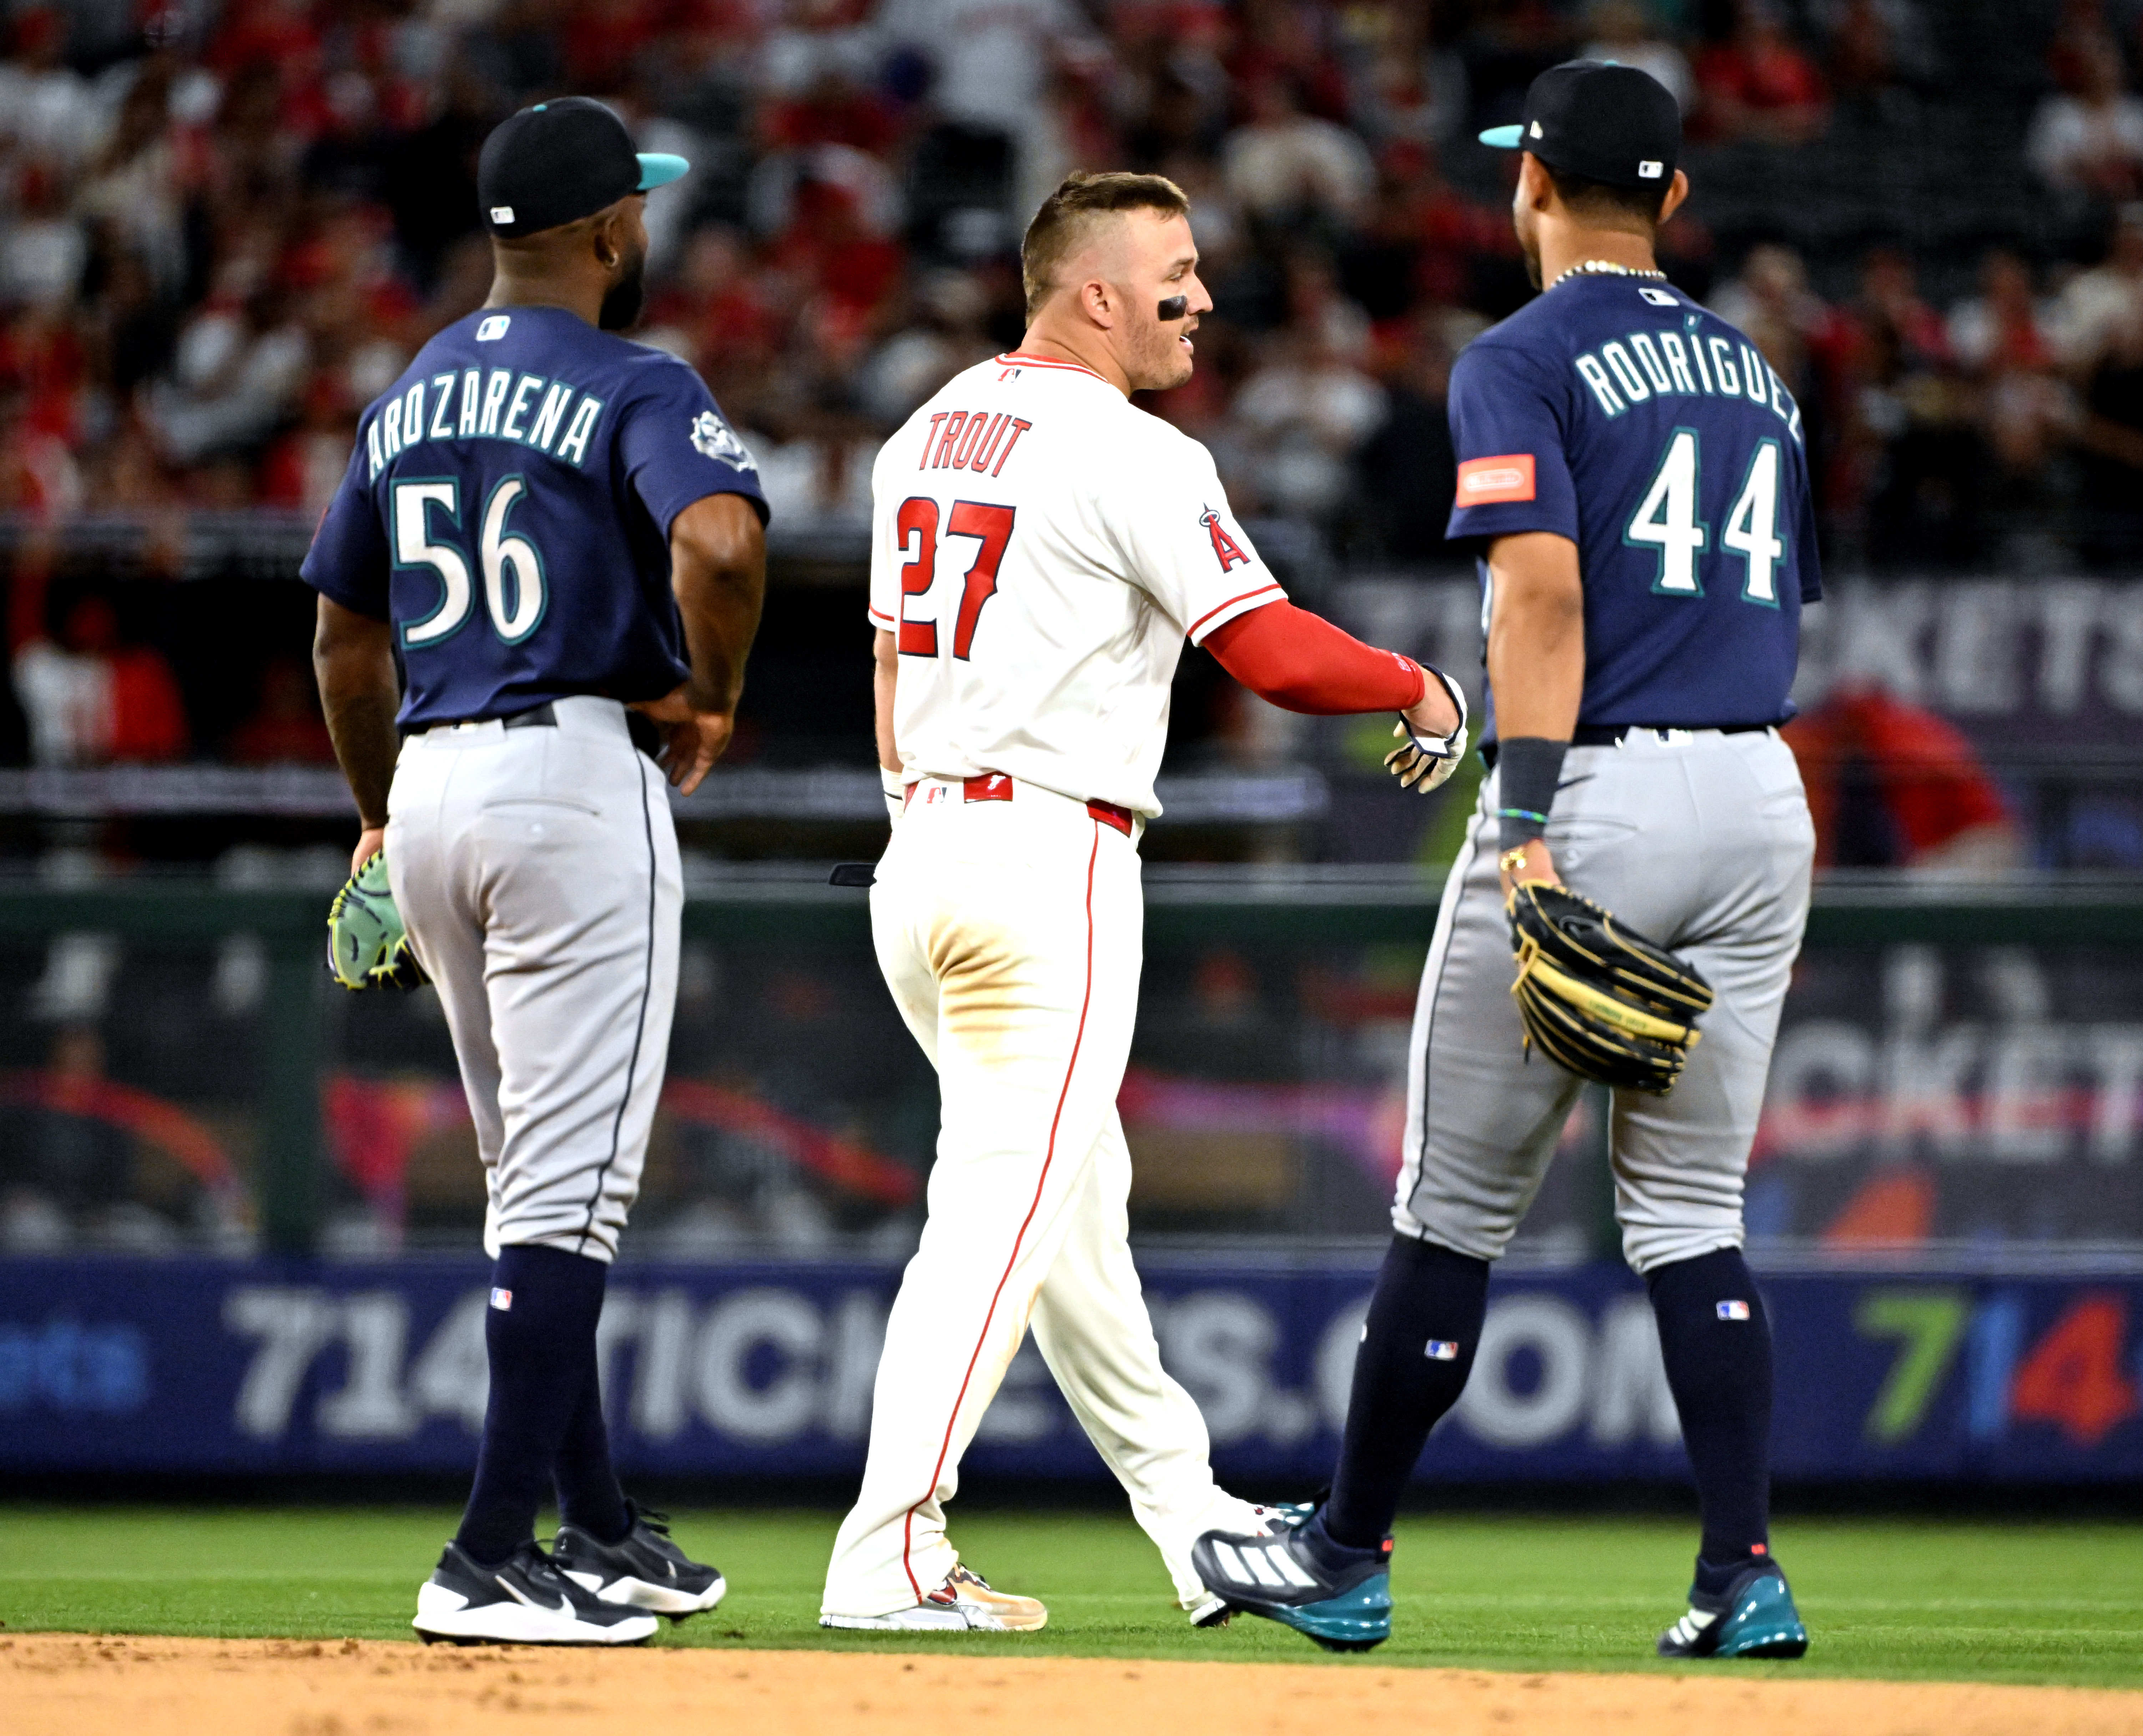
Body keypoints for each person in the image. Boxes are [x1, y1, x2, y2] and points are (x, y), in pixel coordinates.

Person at [1195, 61, 1821, 1662]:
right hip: (1757, 789)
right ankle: (1739, 1570)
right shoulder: (1758, 372)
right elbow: (1771, 609)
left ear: (1529, 183)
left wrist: (1528, 818)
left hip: (1595, 785)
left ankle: (1344, 1548)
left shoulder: (1520, 355)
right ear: (1673, 198)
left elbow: (1537, 597)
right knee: (1690, 1207)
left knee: (1456, 1198)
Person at [820, 169, 1468, 1633]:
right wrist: (1419, 685)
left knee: (1073, 1214)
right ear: (1094, 291)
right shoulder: (1131, 450)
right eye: (1173, 271)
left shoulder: (924, 430)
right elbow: (1277, 656)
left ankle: (1195, 1522)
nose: (1200, 298)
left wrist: (924, 819)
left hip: (922, 847)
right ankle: (889, 1549)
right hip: (1048, 860)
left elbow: (882, 673)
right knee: (999, 1215)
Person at [304, 97, 769, 1646]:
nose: (646, 227)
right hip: (570, 780)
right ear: (607, 232)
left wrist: (377, 813)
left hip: (429, 777)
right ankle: (487, 1552)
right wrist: (709, 692)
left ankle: (605, 1531)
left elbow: (341, 638)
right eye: (636, 208)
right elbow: (717, 543)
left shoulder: (413, 386)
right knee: (574, 1191)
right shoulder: (636, 375)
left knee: (525, 1181)